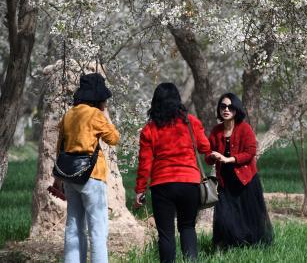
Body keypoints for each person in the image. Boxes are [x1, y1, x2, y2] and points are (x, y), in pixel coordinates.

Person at [134, 83, 211, 263]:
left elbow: (145, 163)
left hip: (162, 185)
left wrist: (139, 190)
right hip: (189, 183)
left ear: (155, 103)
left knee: (166, 234)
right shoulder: (191, 122)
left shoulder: (149, 129)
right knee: (187, 227)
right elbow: (205, 147)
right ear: (177, 100)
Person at [56, 72, 120, 263]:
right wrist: (105, 115)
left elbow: (60, 146)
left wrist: (56, 177)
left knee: (73, 226)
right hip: (92, 176)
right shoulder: (95, 114)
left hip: (69, 176)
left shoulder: (69, 114)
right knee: (98, 230)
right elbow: (114, 138)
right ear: (99, 97)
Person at [207, 92, 273, 248]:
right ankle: (226, 246)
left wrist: (229, 159)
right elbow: (208, 155)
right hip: (224, 181)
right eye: (223, 106)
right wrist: (212, 156)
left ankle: (249, 246)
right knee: (224, 216)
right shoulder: (216, 130)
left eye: (230, 107)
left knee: (248, 216)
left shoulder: (245, 128)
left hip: (246, 180)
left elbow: (250, 152)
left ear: (236, 109)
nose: (226, 110)